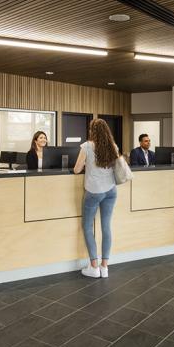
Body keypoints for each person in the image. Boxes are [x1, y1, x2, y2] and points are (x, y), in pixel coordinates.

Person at [74, 119, 118, 278]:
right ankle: (104, 267)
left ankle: (93, 266)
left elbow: (77, 169)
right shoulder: (113, 146)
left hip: (94, 191)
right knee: (106, 226)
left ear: (92, 131)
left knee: (87, 226)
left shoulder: (87, 146)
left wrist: (88, 164)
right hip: (111, 190)